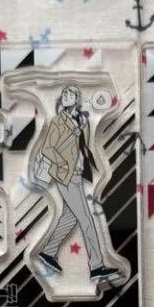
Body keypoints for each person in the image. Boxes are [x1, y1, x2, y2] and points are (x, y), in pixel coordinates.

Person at [33, 84, 120, 284]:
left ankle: (48, 252)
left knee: (70, 217)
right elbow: (47, 149)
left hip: (76, 175)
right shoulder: (58, 121)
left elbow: (84, 146)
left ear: (77, 98)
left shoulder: (82, 120)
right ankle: (96, 267)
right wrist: (65, 164)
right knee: (86, 219)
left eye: (69, 93)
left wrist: (87, 164)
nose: (65, 95)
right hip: (64, 176)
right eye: (64, 93)